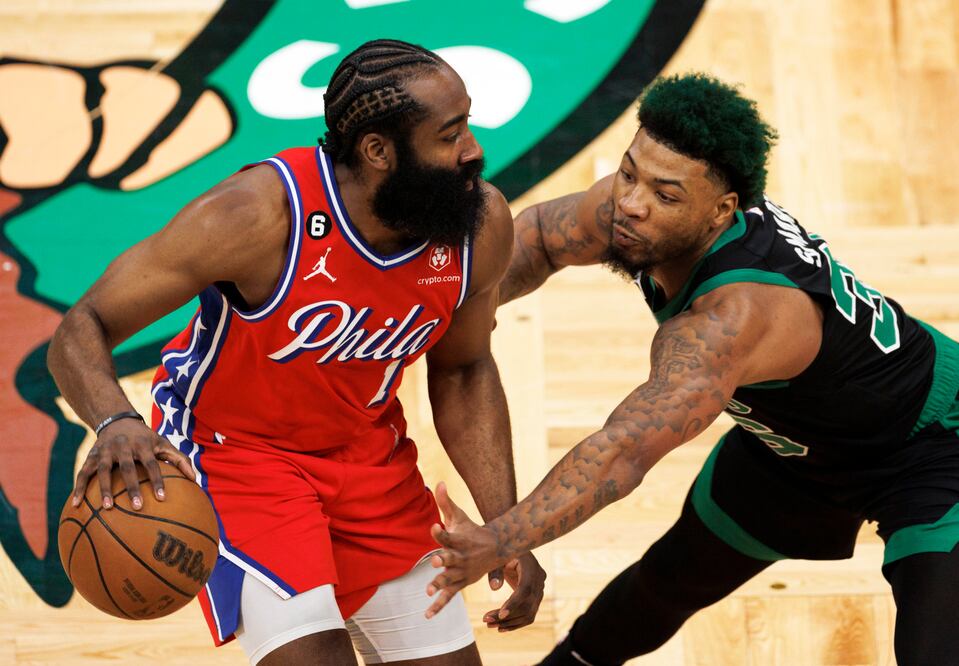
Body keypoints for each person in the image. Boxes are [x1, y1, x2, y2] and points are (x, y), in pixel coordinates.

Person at [423, 72, 959, 666]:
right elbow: (540, 241)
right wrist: (426, 316)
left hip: (935, 448)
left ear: (720, 211)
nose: (631, 203)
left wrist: (497, 539)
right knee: (669, 581)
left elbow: (622, 453)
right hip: (793, 450)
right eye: (629, 173)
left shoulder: (730, 319)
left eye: (666, 195)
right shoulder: (627, 212)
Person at [47, 39, 546, 666]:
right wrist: (115, 419)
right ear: (378, 152)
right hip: (238, 455)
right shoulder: (254, 216)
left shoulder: (477, 222)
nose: (473, 149)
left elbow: (464, 369)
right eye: (449, 135)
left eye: (467, 124)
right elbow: (81, 326)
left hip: (367, 454)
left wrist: (507, 528)